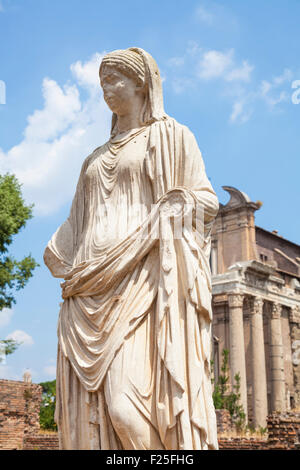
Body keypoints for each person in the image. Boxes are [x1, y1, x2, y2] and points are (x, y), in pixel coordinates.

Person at [44, 47, 219, 450]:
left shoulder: (172, 136)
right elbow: (77, 221)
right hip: (86, 289)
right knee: (90, 421)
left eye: (113, 79)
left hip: (142, 281)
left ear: (141, 83)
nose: (105, 88)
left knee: (125, 408)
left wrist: (181, 204)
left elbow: (206, 199)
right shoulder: (94, 158)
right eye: (101, 81)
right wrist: (58, 249)